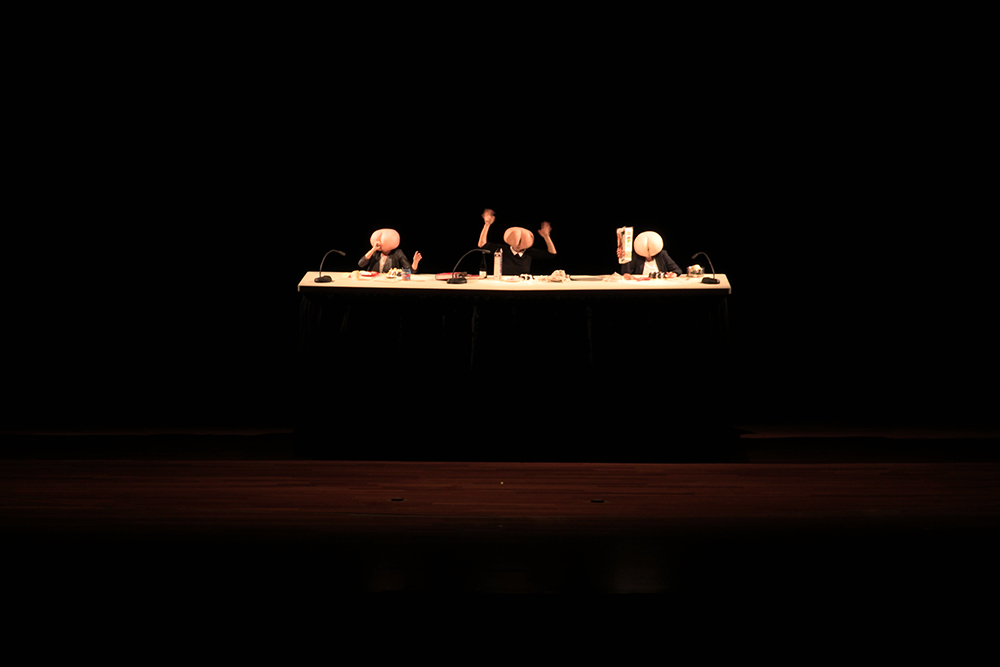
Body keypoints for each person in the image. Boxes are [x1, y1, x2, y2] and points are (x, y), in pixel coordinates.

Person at [477, 208, 556, 275]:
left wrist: (546, 237)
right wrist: (487, 225)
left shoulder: (529, 253)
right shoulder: (502, 250)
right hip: (504, 282)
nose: (518, 245)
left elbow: (552, 253)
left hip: (523, 283)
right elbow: (482, 244)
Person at [617, 231, 682, 279]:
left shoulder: (662, 254)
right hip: (642, 284)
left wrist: (674, 274)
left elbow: (677, 270)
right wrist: (623, 257)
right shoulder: (637, 256)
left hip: (660, 283)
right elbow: (626, 272)